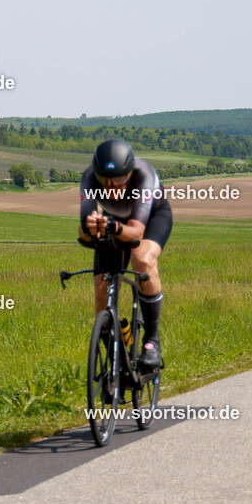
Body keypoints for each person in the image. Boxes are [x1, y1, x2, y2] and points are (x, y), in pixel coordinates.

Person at [78, 139, 172, 369]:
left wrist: (113, 227)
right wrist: (91, 227)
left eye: (119, 179)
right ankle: (117, 358)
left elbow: (136, 232)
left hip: (151, 219)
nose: (110, 186)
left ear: (129, 173)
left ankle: (152, 341)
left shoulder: (144, 175)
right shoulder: (89, 178)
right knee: (101, 289)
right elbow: (83, 231)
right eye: (104, 180)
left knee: (142, 259)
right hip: (115, 222)